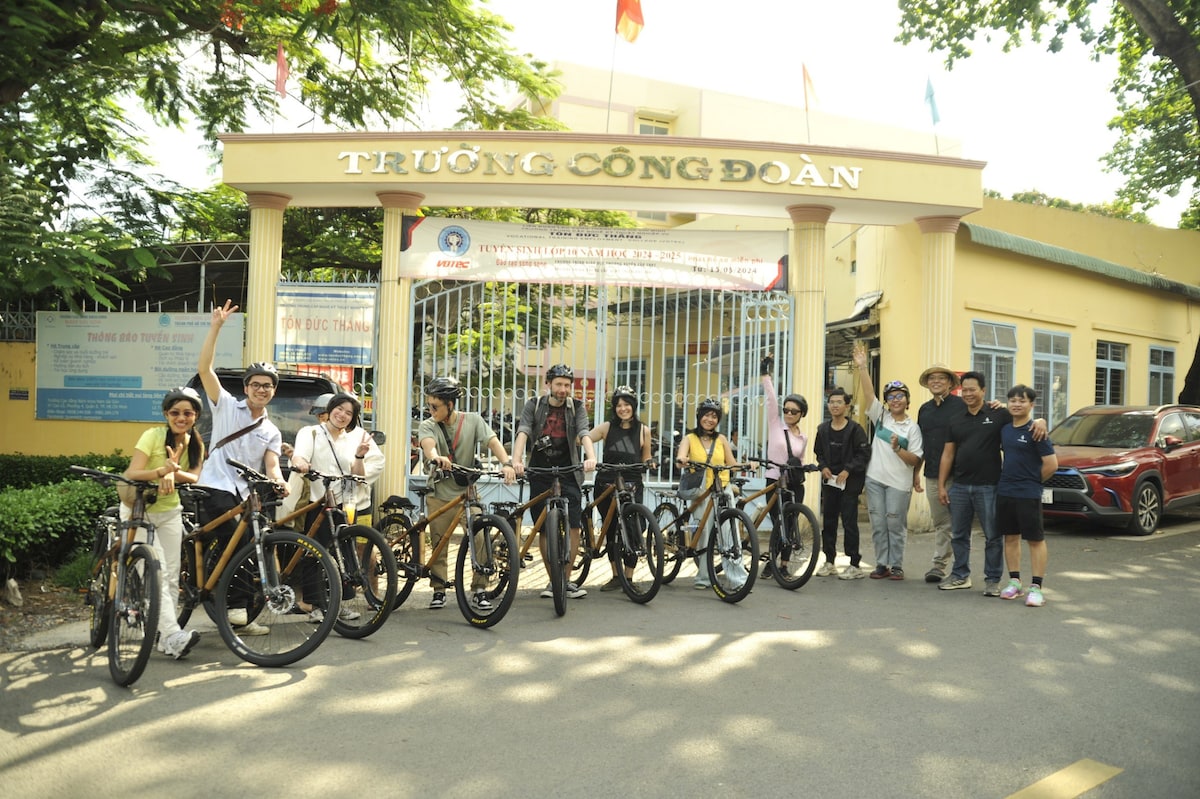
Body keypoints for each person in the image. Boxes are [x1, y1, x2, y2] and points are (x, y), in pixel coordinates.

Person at [197, 299, 287, 635]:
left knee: (257, 545)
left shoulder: (271, 431)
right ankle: (233, 605)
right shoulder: (226, 408)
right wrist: (216, 327)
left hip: (245, 496)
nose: (261, 389)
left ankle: (243, 618)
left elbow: (272, 465)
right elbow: (206, 370)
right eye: (255, 384)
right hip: (215, 487)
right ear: (246, 388)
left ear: (272, 391)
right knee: (238, 539)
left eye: (267, 385)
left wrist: (280, 482)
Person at [936, 372, 1046, 595]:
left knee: (993, 536)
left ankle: (993, 580)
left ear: (983, 391)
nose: (967, 393)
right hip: (959, 486)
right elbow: (948, 454)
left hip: (989, 486)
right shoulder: (956, 419)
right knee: (958, 534)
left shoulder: (999, 414)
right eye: (964, 390)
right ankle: (960, 575)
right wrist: (941, 485)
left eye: (972, 389)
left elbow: (1022, 418)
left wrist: (1041, 420)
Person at [418, 377, 517, 609]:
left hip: (467, 492)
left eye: (435, 406)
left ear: (450, 404)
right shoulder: (428, 425)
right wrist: (435, 458)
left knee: (480, 537)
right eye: (429, 405)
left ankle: (480, 588)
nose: (430, 410)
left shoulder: (472, 421)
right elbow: (428, 445)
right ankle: (439, 588)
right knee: (439, 541)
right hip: (439, 492)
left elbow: (492, 441)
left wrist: (507, 463)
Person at [122, 387, 206, 659]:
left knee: (170, 575)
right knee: (155, 572)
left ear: (195, 416)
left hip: (170, 512)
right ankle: (173, 634)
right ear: (166, 414)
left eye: (188, 413)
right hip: (139, 510)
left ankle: (166, 638)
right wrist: (162, 471)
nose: (181, 418)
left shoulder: (196, 442)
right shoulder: (153, 435)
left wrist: (174, 471)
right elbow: (133, 472)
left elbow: (194, 477)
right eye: (175, 413)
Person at [288, 392, 385, 621]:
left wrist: (360, 457)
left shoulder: (348, 440)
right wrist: (300, 463)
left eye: (349, 413)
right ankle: (316, 607)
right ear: (330, 410)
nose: (342, 415)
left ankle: (337, 604)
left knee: (342, 553)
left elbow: (357, 476)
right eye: (339, 409)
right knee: (316, 554)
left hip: (341, 504)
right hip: (317, 501)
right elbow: (300, 456)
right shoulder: (310, 433)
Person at [512, 365, 597, 599]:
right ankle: (553, 582)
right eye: (559, 384)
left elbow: (583, 432)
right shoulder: (535, 405)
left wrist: (591, 457)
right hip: (540, 469)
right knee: (544, 526)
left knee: (573, 525)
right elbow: (524, 431)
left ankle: (566, 581)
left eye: (567, 385)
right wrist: (516, 460)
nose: (563, 389)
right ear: (548, 384)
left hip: (569, 470)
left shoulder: (577, 407)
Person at [854, 344, 923, 580]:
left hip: (899, 484)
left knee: (895, 524)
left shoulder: (912, 428)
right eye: (891, 397)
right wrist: (863, 367)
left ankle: (897, 565)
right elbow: (868, 394)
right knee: (878, 525)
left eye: (900, 396)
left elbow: (916, 458)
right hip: (875, 480)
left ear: (907, 400)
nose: (895, 400)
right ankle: (881, 564)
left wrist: (897, 449)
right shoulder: (880, 416)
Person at [584, 385, 653, 591]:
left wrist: (650, 462)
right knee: (612, 528)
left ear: (633, 406)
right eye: (619, 405)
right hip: (607, 482)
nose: (623, 409)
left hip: (632, 484)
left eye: (627, 404)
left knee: (634, 528)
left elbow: (646, 455)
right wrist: (591, 456)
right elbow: (585, 437)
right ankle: (616, 575)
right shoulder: (606, 427)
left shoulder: (643, 430)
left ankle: (629, 579)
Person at [996, 385, 1057, 607]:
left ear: (1031, 405)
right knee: (1010, 537)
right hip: (1005, 490)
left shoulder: (1037, 430)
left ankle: (1036, 587)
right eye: (1012, 400)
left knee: (1035, 539)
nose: (1016, 404)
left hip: (1028, 493)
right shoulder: (1005, 428)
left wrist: (1032, 481)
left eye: (1022, 401)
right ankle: (1015, 582)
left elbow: (1051, 464)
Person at [674, 397, 744, 590]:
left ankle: (737, 580)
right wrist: (682, 459)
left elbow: (731, 463)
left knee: (729, 535)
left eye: (714, 416)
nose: (710, 419)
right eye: (706, 415)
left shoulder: (721, 439)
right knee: (704, 534)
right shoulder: (689, 438)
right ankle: (704, 577)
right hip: (701, 492)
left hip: (723, 489)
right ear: (699, 417)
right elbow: (680, 456)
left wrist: (746, 465)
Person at [915, 364, 967, 583]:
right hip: (933, 474)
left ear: (949, 383)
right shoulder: (924, 410)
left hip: (958, 474)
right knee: (941, 522)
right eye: (932, 378)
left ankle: (957, 567)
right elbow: (920, 445)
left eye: (941, 378)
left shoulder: (961, 406)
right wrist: (915, 473)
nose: (936, 381)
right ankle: (940, 565)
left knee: (958, 522)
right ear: (928, 383)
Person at [758, 354, 809, 578]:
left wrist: (808, 467)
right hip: (775, 480)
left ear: (801, 414)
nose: (788, 413)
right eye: (786, 410)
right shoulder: (775, 425)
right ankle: (771, 561)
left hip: (795, 484)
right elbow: (771, 399)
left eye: (794, 411)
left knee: (792, 523)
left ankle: (784, 565)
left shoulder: (803, 437)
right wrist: (764, 372)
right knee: (779, 523)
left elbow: (801, 460)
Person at [812, 387, 871, 579]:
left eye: (839, 402)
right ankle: (829, 561)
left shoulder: (855, 429)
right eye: (832, 402)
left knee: (849, 522)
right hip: (830, 482)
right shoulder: (822, 429)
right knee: (828, 521)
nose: (835, 405)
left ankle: (854, 563)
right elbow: (819, 453)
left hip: (850, 482)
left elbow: (864, 454)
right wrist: (823, 467)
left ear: (847, 406)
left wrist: (848, 469)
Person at [281, 392, 333, 460]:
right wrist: (295, 457)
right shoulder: (309, 433)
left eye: (323, 413)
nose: (321, 417)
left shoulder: (348, 437)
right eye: (318, 415)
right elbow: (303, 462)